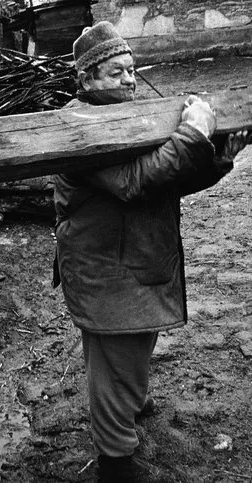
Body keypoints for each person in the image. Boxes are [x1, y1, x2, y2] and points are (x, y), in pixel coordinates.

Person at [52, 22, 251, 482]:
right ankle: (116, 461)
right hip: (106, 267)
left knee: (133, 345)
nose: (128, 80)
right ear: (86, 79)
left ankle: (133, 402)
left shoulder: (130, 117)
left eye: (131, 70)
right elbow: (133, 183)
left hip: (135, 260)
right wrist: (191, 137)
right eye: (115, 72)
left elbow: (168, 181)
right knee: (115, 356)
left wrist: (216, 156)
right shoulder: (77, 126)